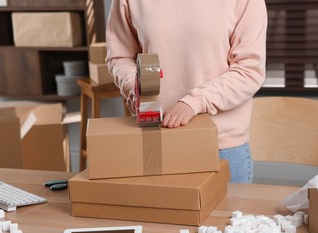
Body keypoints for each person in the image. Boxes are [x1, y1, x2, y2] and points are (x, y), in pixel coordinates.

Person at [106, 0, 268, 183]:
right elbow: (120, 57)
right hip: (155, 139)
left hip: (219, 145)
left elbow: (249, 70)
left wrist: (195, 101)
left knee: (229, 213)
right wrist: (135, 87)